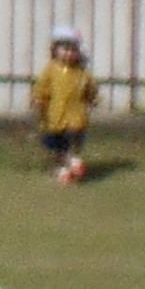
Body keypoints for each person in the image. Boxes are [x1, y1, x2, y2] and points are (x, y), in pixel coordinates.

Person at [29, 32, 89, 184]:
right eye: (65, 49)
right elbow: (42, 86)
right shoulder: (51, 69)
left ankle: (74, 160)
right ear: (55, 50)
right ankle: (61, 169)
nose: (69, 53)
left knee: (74, 137)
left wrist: (92, 97)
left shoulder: (81, 72)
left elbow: (90, 87)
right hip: (54, 115)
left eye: (73, 50)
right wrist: (38, 98)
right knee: (55, 144)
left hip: (75, 114)